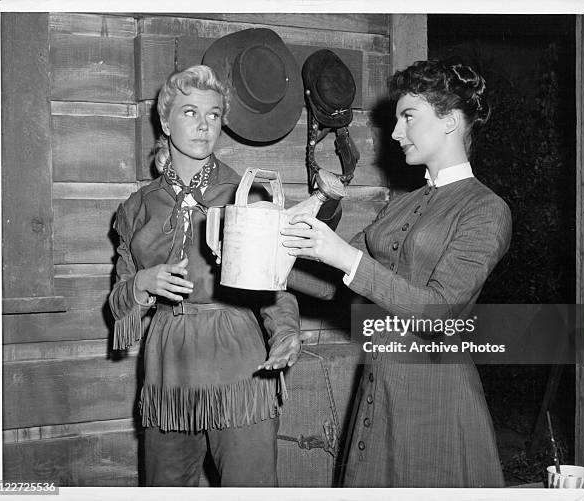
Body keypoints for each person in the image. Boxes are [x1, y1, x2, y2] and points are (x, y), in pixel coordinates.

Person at [282, 59, 512, 487]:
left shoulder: (485, 210)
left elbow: (440, 313)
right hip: (379, 393)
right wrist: (271, 258)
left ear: (449, 121)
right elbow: (336, 286)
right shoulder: (404, 203)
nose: (395, 132)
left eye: (409, 117)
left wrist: (345, 259)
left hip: (437, 403)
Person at [108, 65, 303, 487]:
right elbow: (119, 297)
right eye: (190, 112)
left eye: (213, 115)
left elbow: (276, 285)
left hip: (237, 362)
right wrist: (143, 284)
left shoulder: (247, 193)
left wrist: (286, 332)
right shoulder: (137, 208)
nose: (203, 126)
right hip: (169, 368)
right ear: (165, 121)